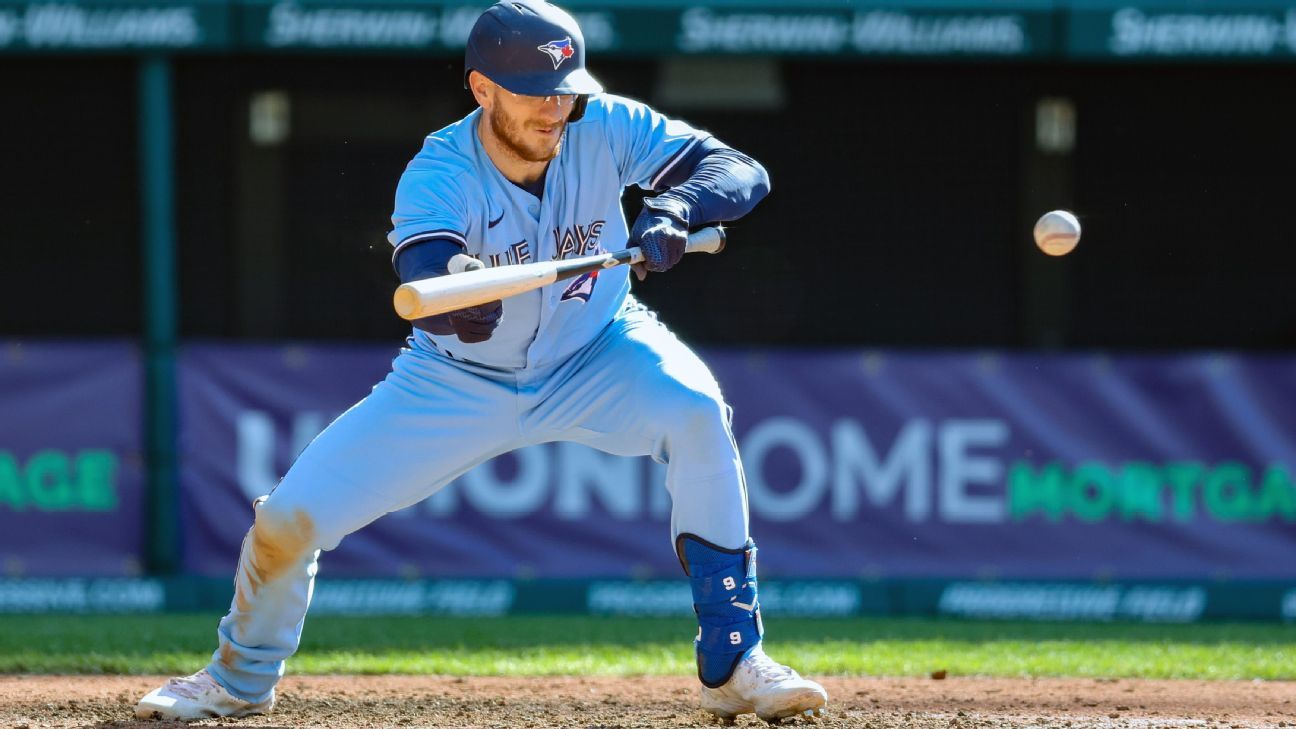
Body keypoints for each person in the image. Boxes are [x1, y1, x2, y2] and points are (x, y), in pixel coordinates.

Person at [136, 0, 828, 723]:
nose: (554, 108)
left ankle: (736, 659)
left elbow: (739, 170)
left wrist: (677, 209)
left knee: (695, 413)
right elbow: (431, 280)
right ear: (482, 89)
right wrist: (465, 298)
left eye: (565, 90)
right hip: (453, 382)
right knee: (287, 519)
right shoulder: (438, 169)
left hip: (600, 348)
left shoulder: (607, 124)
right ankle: (238, 677)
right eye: (533, 91)